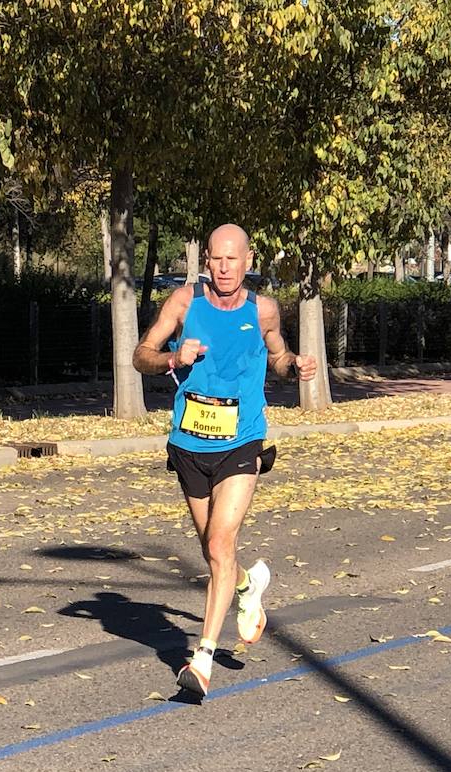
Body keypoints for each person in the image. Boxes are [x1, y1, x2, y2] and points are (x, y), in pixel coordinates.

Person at [132, 224, 318, 701]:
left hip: (242, 439)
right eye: (217, 260)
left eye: (234, 260)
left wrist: (293, 366)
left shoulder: (264, 310)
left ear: (248, 259)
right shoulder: (183, 303)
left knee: (219, 541)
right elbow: (141, 356)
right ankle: (248, 584)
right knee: (214, 552)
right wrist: (175, 357)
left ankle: (203, 658)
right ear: (206, 261)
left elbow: (278, 358)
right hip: (190, 443)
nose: (225, 268)